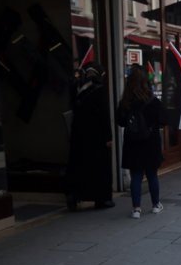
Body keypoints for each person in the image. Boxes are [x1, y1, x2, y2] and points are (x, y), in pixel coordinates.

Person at [116, 63, 163, 219]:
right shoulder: (153, 101)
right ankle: (156, 205)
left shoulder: (125, 101)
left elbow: (121, 122)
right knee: (152, 175)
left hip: (133, 142)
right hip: (150, 142)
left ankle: (136, 208)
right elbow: (162, 120)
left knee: (136, 176)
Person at [66, 62, 114, 210]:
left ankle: (75, 195)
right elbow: (104, 116)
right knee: (100, 168)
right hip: (97, 137)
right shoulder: (99, 90)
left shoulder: (77, 88)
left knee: (78, 166)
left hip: (78, 136)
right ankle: (102, 198)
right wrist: (108, 137)